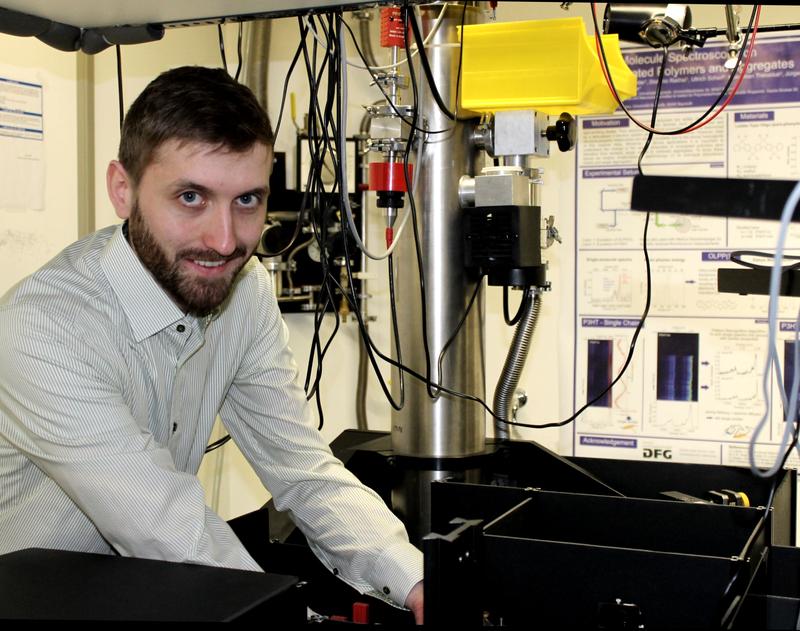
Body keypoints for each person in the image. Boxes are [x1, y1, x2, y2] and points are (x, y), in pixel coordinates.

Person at [0, 65, 423, 623]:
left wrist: (416, 582)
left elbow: (299, 466)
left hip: (140, 593)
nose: (225, 240)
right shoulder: (42, 328)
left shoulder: (243, 294)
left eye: (247, 200)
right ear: (122, 189)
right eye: (192, 196)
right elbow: (163, 524)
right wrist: (293, 618)